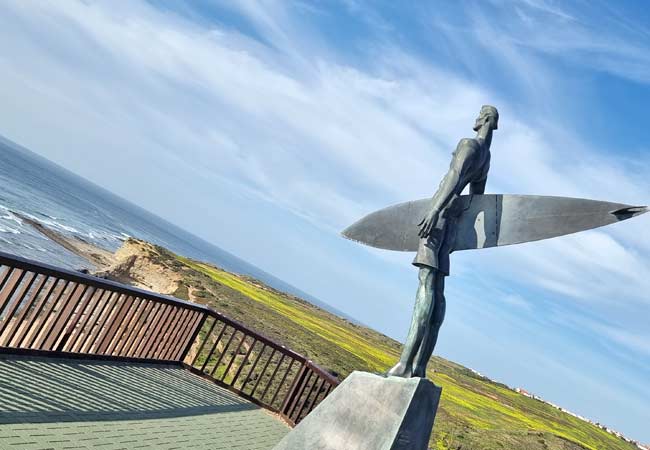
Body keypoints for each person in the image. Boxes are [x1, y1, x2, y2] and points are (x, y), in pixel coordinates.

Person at [387, 105, 499, 378]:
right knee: (437, 290)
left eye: (479, 114)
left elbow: (453, 176)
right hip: (451, 227)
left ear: (483, 120)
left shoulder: (467, 144)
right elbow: (476, 200)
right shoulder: (486, 157)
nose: (475, 118)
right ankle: (420, 368)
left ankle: (404, 365)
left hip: (437, 219)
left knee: (425, 286)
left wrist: (434, 210)